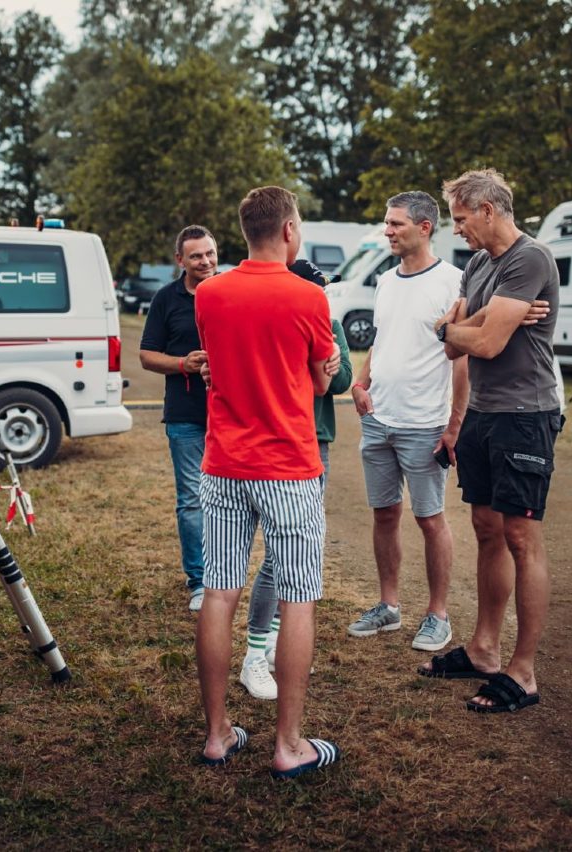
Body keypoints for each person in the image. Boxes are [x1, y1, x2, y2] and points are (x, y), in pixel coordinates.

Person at [194, 186, 340, 778]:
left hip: (224, 463)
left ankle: (217, 735)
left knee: (218, 592)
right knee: (297, 597)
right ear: (288, 230)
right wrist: (321, 369)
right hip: (287, 467)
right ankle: (289, 744)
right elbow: (320, 383)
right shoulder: (309, 296)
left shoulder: (209, 292)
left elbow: (219, 365)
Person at [421, 168, 561, 715]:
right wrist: (463, 326)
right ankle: (483, 649)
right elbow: (456, 346)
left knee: (521, 537)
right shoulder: (479, 264)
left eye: (460, 218)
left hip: (525, 416)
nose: (456, 229)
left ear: (487, 210)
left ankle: (522, 673)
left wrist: (460, 327)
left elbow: (487, 343)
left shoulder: (530, 259)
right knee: (486, 528)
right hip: (482, 412)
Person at [346, 191, 468, 654]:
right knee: (384, 514)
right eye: (387, 222)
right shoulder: (385, 281)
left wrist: (454, 425)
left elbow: (461, 359)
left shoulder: (454, 282)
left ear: (424, 227)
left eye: (396, 223)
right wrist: (361, 382)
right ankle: (389, 606)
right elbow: (382, 341)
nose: (388, 231)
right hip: (378, 419)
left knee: (430, 519)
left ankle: (438, 615)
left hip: (425, 424)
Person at [239, 257, 352, 701]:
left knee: (298, 552)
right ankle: (256, 650)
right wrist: (318, 362)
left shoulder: (331, 324)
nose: (321, 296)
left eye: (323, 290)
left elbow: (339, 381)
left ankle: (273, 641)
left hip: (315, 442)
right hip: (281, 444)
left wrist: (330, 354)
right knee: (276, 555)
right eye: (316, 289)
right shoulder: (276, 320)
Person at [139, 225, 219, 612]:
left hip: (230, 413)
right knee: (191, 499)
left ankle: (224, 573)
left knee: (228, 498)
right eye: (196, 256)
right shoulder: (166, 299)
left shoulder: (230, 290)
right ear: (180, 260)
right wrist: (182, 363)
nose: (205, 261)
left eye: (209, 253)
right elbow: (146, 355)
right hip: (185, 415)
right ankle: (199, 581)